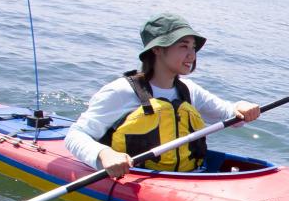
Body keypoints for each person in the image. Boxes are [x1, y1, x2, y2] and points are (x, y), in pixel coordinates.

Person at [65, 13, 261, 177]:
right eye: (183, 46)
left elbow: (230, 115)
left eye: (193, 48)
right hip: (134, 179)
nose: (191, 55)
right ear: (157, 49)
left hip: (187, 177)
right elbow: (75, 135)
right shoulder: (121, 91)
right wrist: (104, 154)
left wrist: (240, 108)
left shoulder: (189, 90)